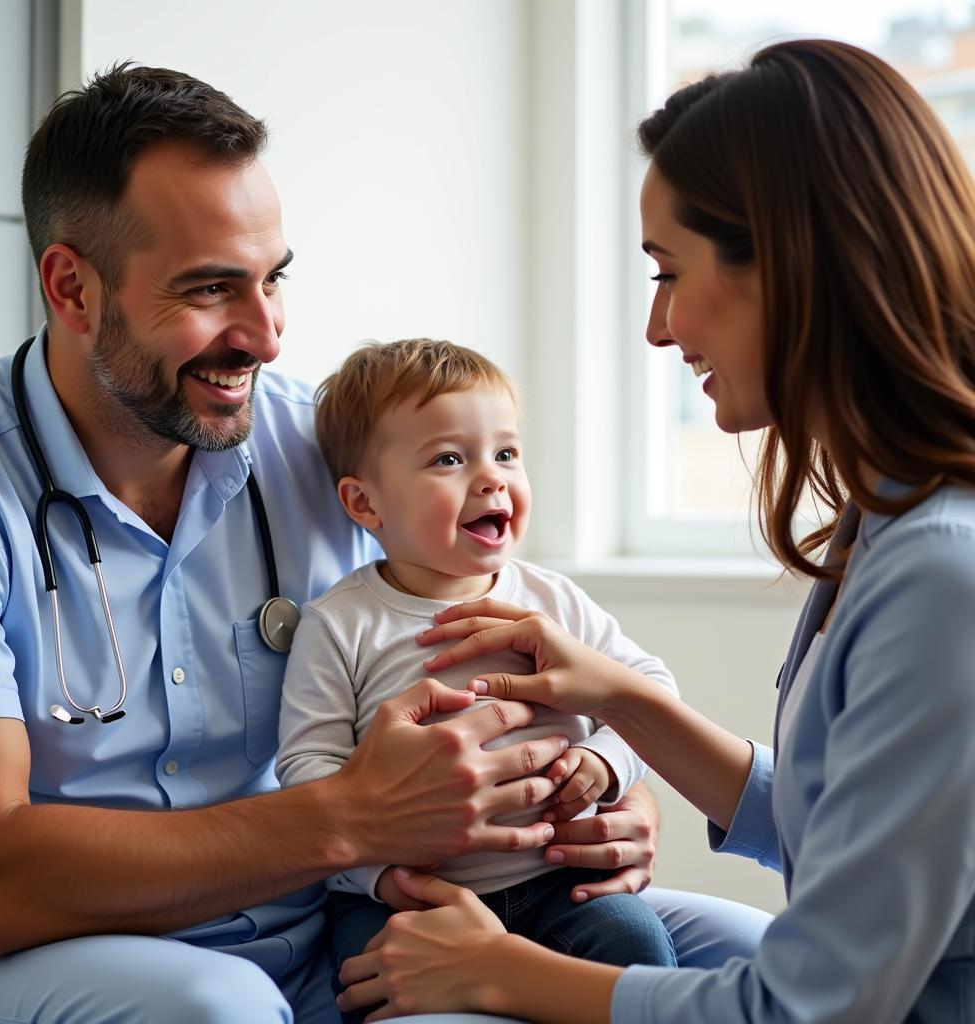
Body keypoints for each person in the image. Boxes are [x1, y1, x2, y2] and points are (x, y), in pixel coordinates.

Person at [0, 64, 768, 1024]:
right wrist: (353, 821)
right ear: (72, 287)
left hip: (348, 910)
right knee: (220, 1008)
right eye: (211, 290)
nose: (264, 335)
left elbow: (534, 657)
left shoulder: (329, 449)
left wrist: (597, 798)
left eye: (273, 280)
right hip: (79, 949)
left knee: (747, 953)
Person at [336, 37, 975, 1024]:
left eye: (667, 274)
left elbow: (813, 1004)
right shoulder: (881, 516)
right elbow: (828, 820)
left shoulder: (940, 569)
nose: (659, 327)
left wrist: (494, 970)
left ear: (789, 259)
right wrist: (622, 703)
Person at [276, 339, 680, 1018]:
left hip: (559, 883)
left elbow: (647, 689)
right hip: (414, 897)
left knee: (640, 952)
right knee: (383, 993)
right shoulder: (340, 624)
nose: (492, 478)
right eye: (449, 459)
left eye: (506, 453)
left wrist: (605, 762)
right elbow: (308, 767)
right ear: (365, 503)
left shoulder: (552, 602)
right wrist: (379, 878)